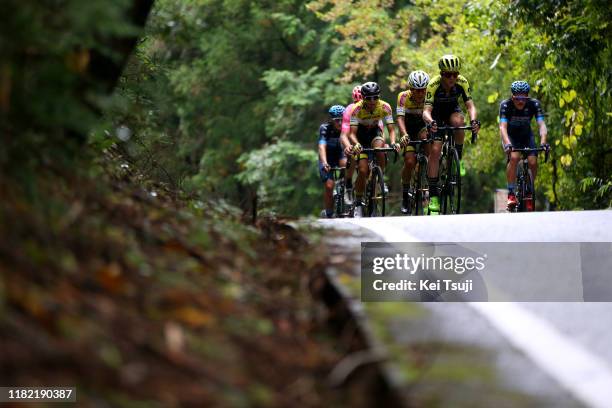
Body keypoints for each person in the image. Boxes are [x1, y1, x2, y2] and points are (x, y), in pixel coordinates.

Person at [423, 54, 480, 213]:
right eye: (448, 75)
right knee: (435, 151)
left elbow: (470, 106)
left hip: (452, 112)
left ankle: (458, 158)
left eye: (455, 74)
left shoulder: (462, 82)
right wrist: (430, 122)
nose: (452, 78)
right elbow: (426, 111)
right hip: (436, 116)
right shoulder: (433, 84)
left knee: (459, 123)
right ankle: (433, 195)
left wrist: (474, 120)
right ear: (442, 74)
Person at [345, 82, 397, 216]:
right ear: (363, 98)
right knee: (362, 170)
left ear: (379, 96)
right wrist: (356, 144)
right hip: (360, 137)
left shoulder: (385, 107)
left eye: (375, 97)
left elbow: (391, 129)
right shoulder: (356, 109)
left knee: (380, 148)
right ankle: (357, 202)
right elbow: (351, 134)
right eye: (369, 98)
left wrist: (392, 142)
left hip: (375, 133)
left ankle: (380, 178)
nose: (372, 101)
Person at [499, 80, 548, 210]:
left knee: (533, 161)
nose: (520, 101)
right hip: (510, 136)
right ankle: (511, 193)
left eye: (524, 98)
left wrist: (543, 141)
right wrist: (508, 144)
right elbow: (502, 127)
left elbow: (541, 125)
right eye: (517, 98)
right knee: (514, 157)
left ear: (527, 96)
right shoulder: (506, 105)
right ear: (512, 96)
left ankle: (529, 188)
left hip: (526, 136)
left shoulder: (534, 104)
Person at [397, 70, 430, 214]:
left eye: (423, 89)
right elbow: (400, 118)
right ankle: (405, 194)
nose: (421, 93)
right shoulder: (403, 97)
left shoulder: (430, 95)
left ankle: (429, 183)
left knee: (428, 141)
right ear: (410, 89)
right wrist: (404, 134)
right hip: (408, 129)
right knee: (409, 162)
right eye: (417, 90)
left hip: (422, 127)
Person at [318, 105, 346, 218]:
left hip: (340, 155)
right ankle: (329, 213)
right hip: (327, 157)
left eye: (342, 120)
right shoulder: (325, 128)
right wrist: (324, 162)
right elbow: (321, 146)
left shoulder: (346, 128)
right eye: (337, 120)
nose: (340, 123)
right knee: (329, 186)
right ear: (331, 120)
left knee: (346, 165)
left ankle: (346, 187)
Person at [339, 85, 362, 206]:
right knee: (352, 155)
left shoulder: (373, 107)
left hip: (364, 136)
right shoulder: (349, 109)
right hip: (350, 137)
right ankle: (348, 182)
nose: (359, 105)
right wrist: (348, 146)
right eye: (356, 102)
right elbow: (344, 135)